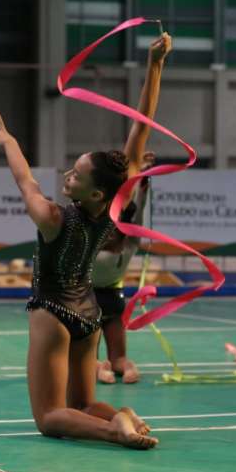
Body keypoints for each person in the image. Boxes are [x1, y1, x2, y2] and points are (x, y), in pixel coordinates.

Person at [0, 33, 172, 449]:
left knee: (49, 417)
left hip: (52, 310)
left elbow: (23, 179)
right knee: (82, 402)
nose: (68, 176)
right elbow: (141, 128)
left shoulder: (52, 218)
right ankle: (122, 415)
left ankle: (112, 430)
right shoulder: (115, 208)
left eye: (76, 175)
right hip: (90, 312)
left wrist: (9, 142)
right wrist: (155, 64)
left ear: (95, 192)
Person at [93, 152, 154, 384]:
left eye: (114, 228)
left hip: (106, 302)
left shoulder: (128, 245)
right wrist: (138, 175)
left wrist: (143, 185)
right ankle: (102, 368)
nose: (109, 233)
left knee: (119, 360)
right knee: (97, 361)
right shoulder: (95, 246)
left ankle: (114, 368)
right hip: (91, 303)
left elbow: (137, 215)